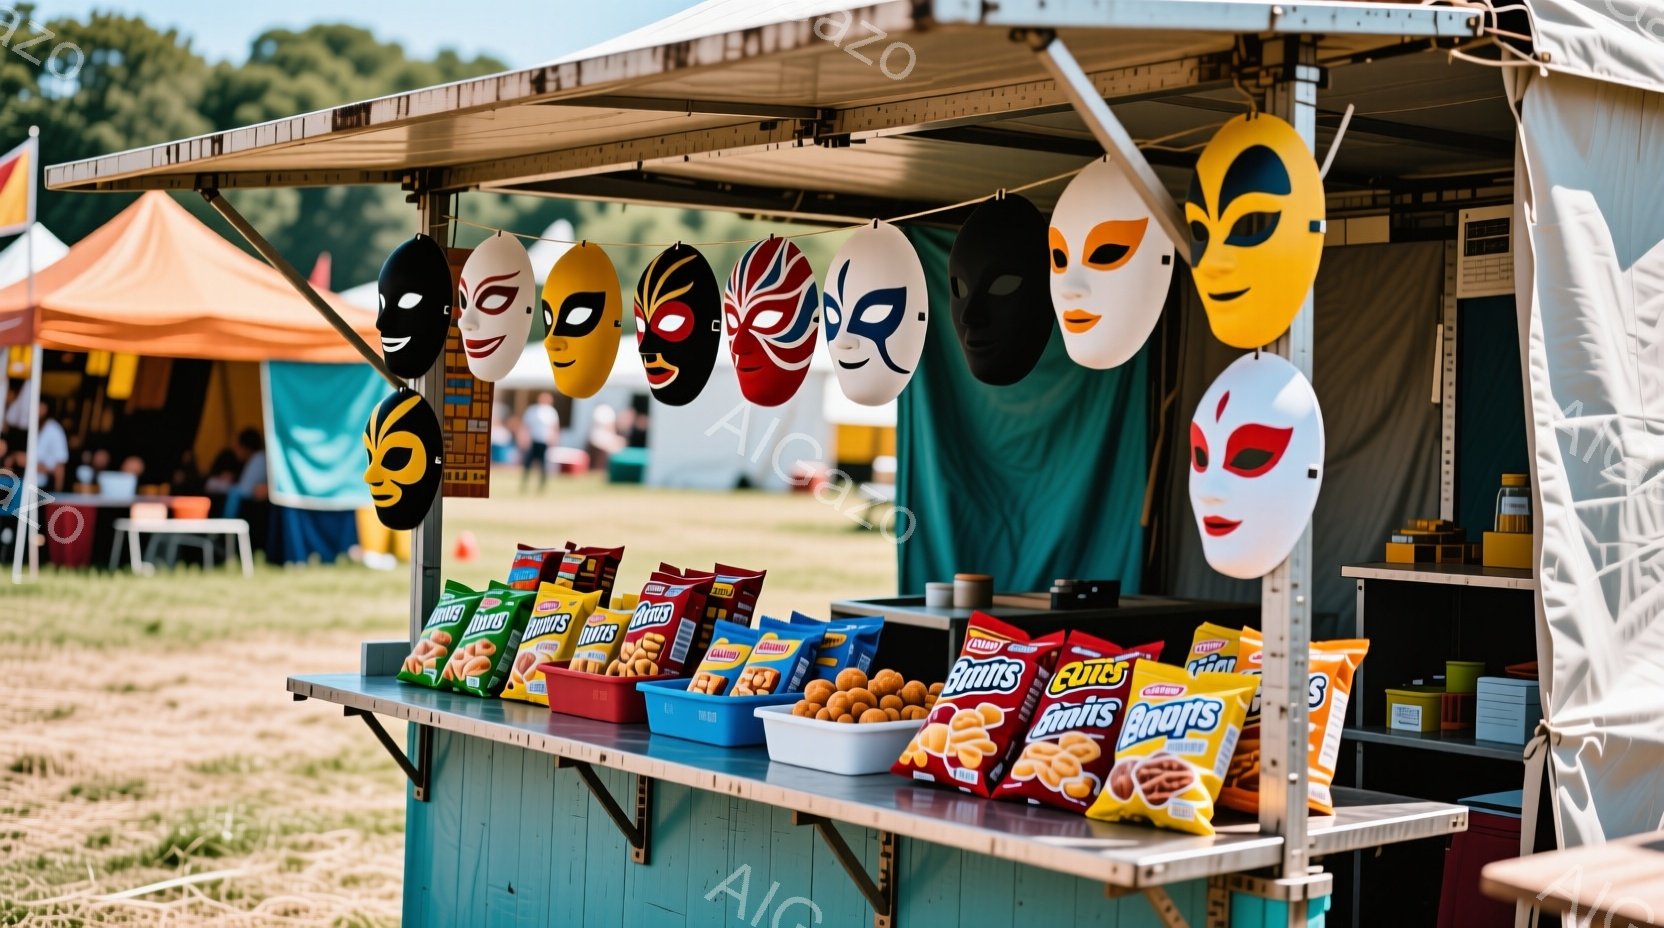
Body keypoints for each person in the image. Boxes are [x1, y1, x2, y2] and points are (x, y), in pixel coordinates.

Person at [221, 428, 267, 519]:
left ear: (246, 448)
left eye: (238, 447)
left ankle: (227, 527)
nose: (235, 450)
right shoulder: (257, 458)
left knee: (234, 493)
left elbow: (245, 491)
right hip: (254, 507)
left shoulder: (258, 460)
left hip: (253, 509)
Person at [520, 392, 559, 492]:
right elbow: (526, 425)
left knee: (543, 465)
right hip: (534, 440)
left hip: (544, 441)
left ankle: (541, 487)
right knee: (527, 464)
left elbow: (554, 427)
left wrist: (554, 439)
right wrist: (524, 438)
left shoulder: (551, 412)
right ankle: (524, 485)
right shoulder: (533, 410)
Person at [34, 404, 68, 492]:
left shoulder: (54, 430)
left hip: (43, 488)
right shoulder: (34, 427)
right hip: (25, 485)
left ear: (45, 408)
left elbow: (60, 466)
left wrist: (57, 496)